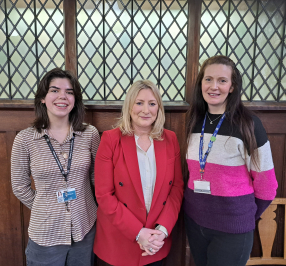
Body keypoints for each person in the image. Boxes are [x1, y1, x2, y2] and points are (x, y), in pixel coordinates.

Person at [183, 55, 278, 266]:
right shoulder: (193, 120)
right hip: (195, 221)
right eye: (208, 79)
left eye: (222, 80)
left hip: (232, 228)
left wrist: (243, 215)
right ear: (200, 84)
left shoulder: (249, 125)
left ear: (232, 86)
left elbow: (268, 185)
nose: (214, 86)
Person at [11, 68, 100, 266]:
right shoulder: (25, 139)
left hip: (84, 229)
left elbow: (96, 177)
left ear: (75, 99)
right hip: (45, 234)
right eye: (55, 90)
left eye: (69, 92)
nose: (63, 96)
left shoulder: (90, 134)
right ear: (42, 97)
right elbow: (19, 186)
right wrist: (46, 208)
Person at [94, 80, 184, 266]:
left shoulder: (170, 139)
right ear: (129, 106)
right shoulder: (110, 140)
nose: (146, 110)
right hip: (117, 243)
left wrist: (162, 230)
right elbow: (104, 195)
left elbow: (176, 188)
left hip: (156, 243)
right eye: (139, 103)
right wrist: (138, 232)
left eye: (152, 104)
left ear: (158, 108)